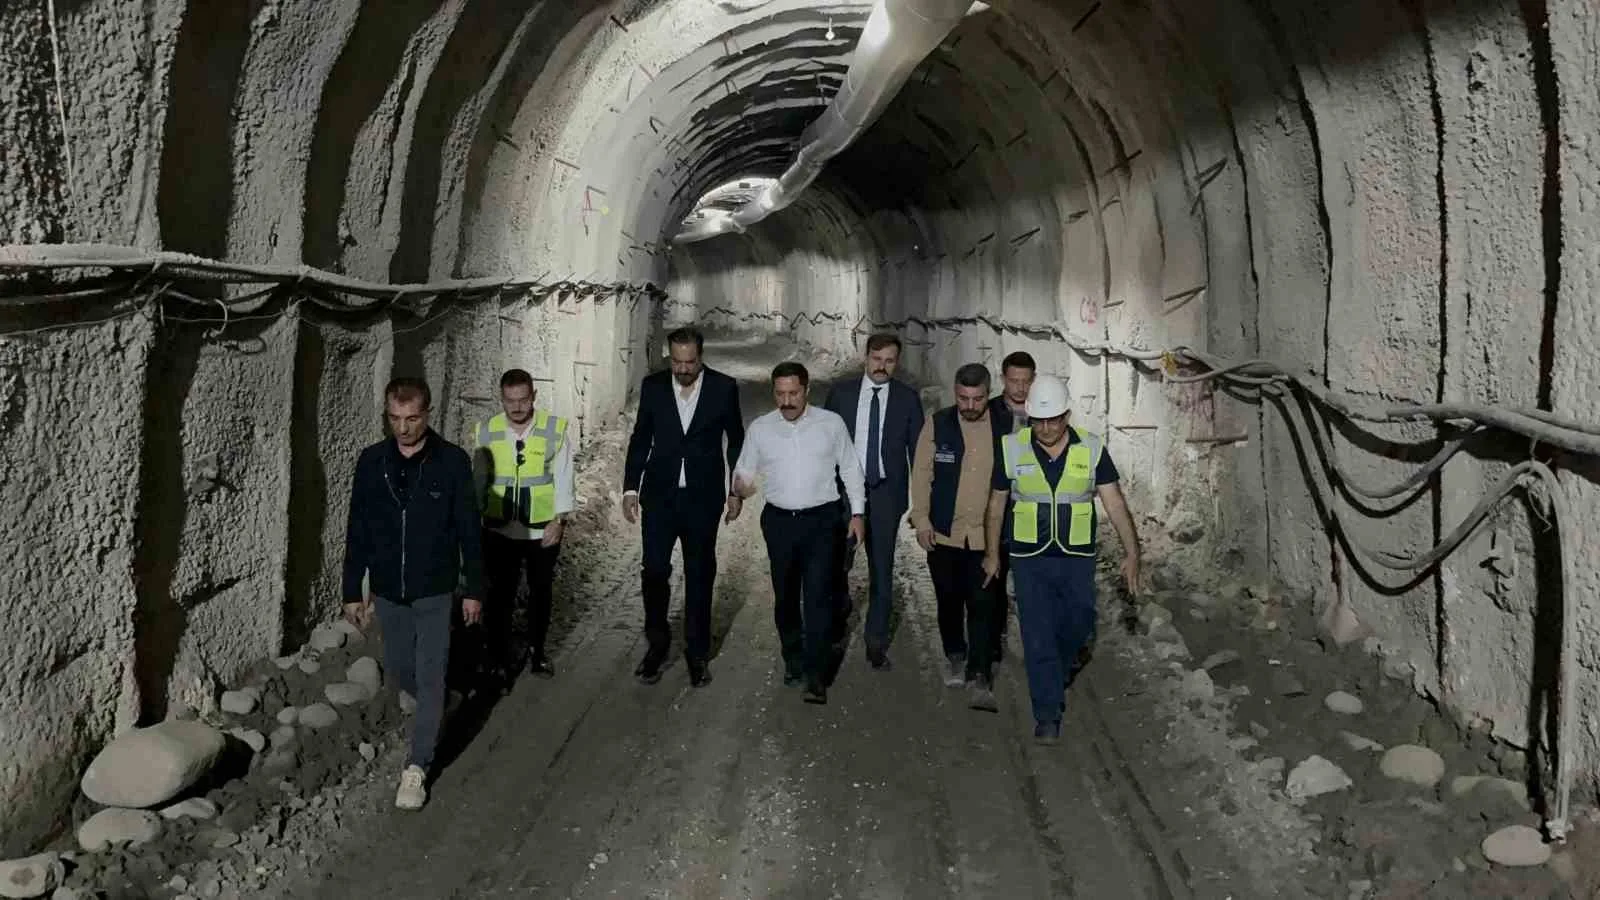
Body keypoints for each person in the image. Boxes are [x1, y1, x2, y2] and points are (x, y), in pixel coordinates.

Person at [341, 377, 483, 810]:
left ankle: (417, 767)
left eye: (412, 419)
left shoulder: (452, 463)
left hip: (435, 591)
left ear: (428, 413)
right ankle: (439, 704)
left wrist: (474, 588)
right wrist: (352, 589)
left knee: (431, 672)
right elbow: (358, 529)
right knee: (402, 670)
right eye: (395, 419)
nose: (403, 428)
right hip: (388, 591)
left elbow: (469, 531)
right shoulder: (370, 463)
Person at [982, 374, 1143, 744]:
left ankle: (1061, 665)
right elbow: (996, 505)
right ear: (1029, 417)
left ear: (1067, 416)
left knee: (1080, 623)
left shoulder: (1091, 448)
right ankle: (1047, 715)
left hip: (1075, 557)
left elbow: (1114, 501)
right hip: (1029, 557)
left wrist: (1132, 553)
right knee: (1037, 635)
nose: (1047, 428)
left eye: (1054, 419)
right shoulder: (1011, 448)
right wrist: (992, 554)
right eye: (1039, 420)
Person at [732, 361, 865, 705]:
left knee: (819, 595)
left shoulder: (830, 425)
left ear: (806, 391)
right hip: (779, 523)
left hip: (822, 522)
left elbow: (850, 467)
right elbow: (745, 470)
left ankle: (816, 674)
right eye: (780, 394)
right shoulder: (761, 429)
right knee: (786, 595)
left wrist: (858, 514)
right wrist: (738, 493)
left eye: (793, 393)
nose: (787, 401)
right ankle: (793, 658)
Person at [622, 326, 746, 687]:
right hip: (659, 498)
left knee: (700, 574)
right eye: (677, 361)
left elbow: (736, 441)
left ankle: (697, 653)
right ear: (669, 357)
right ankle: (656, 646)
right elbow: (641, 438)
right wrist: (630, 488)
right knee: (655, 572)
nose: (683, 368)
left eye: (690, 362)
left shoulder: (724, 388)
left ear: (701, 357)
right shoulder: (654, 386)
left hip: (702, 500)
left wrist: (735, 491)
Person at [822, 333, 923, 670]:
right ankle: (836, 626)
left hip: (884, 495)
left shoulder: (908, 400)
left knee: (882, 569)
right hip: (843, 496)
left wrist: (918, 504)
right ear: (865, 357)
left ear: (897, 362)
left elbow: (919, 456)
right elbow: (825, 445)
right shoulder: (841, 395)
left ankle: (876, 643)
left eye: (890, 361)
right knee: (836, 565)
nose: (882, 367)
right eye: (877, 359)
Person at [470, 368, 574, 689]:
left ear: (534, 397)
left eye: (523, 400)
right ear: (501, 398)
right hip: (499, 530)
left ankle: (538, 650)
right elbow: (479, 482)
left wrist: (559, 520)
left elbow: (564, 477)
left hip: (541, 530)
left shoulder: (554, 431)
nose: (516, 407)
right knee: (500, 596)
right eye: (510, 400)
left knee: (540, 593)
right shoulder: (486, 431)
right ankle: (499, 659)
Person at [909, 363, 1000, 712]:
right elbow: (921, 474)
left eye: (977, 399)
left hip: (984, 537)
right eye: (963, 398)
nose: (970, 406)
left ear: (988, 394)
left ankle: (980, 673)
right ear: (955, 393)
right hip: (945, 535)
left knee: (982, 605)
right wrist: (921, 520)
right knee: (948, 601)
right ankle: (955, 655)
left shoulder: (1003, 426)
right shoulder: (939, 423)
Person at [985, 350, 1036, 664]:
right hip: (997, 501)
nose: (1019, 387)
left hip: (1031, 504)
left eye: (1025, 381)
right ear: (1003, 379)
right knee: (995, 568)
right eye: (1013, 381)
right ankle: (994, 636)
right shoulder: (989, 413)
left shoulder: (1044, 411)